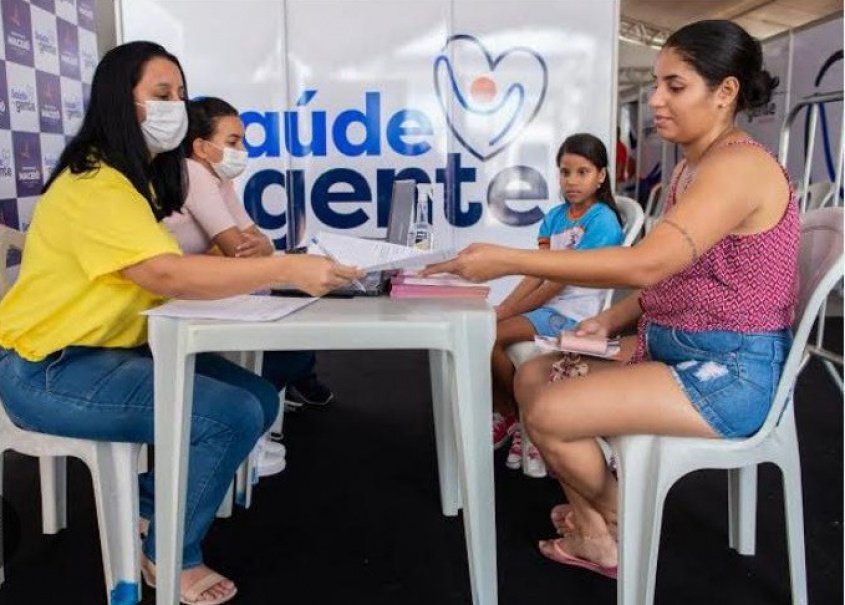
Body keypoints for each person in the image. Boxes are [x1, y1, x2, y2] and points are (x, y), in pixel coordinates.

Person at [424, 19, 796, 578]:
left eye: (676, 86)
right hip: (673, 346)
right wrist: (613, 320)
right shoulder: (696, 167)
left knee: (548, 409)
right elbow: (672, 279)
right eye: (657, 84)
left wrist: (508, 258)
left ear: (725, 93)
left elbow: (647, 263)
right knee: (533, 378)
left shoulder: (738, 166)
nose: (657, 101)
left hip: (730, 369)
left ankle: (618, 522)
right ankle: (599, 524)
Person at [0, 41, 359, 604]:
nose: (176, 106)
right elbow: (165, 274)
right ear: (121, 101)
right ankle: (170, 555)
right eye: (161, 94)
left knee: (259, 398)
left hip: (105, 353)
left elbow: (170, 268)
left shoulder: (131, 179)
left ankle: (148, 513)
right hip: (46, 368)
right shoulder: (94, 182)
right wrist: (287, 265)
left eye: (181, 94)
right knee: (228, 415)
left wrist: (253, 263)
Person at [164, 96, 331, 476]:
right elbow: (238, 248)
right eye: (234, 141)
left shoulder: (218, 180)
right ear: (201, 147)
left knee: (292, 346)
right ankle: (241, 436)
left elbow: (259, 241)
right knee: (288, 352)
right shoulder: (192, 172)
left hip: (203, 291)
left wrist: (252, 247)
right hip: (177, 300)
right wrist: (242, 248)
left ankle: (249, 429)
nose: (243, 150)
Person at [491, 133, 623, 478]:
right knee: (487, 329)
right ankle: (514, 418)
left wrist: (504, 315)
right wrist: (502, 307)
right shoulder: (553, 217)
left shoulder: (602, 220)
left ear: (601, 176)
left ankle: (518, 418)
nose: (572, 181)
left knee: (491, 334)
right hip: (547, 309)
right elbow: (535, 273)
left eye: (582, 172)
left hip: (574, 317)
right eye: (565, 172)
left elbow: (555, 283)